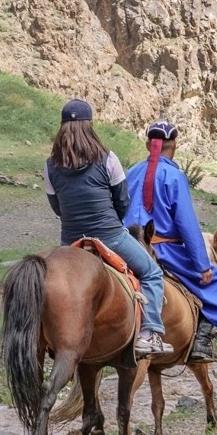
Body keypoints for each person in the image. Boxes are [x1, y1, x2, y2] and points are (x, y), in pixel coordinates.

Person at [41, 100, 172, 357]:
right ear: (89, 126)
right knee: (152, 272)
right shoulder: (108, 158)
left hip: (70, 241)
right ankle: (150, 333)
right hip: (110, 236)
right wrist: (111, 223)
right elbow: (122, 201)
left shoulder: (50, 165)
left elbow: (57, 207)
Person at [123, 121, 217, 361]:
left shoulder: (131, 172)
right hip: (163, 250)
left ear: (148, 145)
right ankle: (200, 344)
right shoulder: (174, 176)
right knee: (215, 284)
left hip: (127, 245)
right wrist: (202, 265)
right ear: (175, 147)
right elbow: (186, 224)